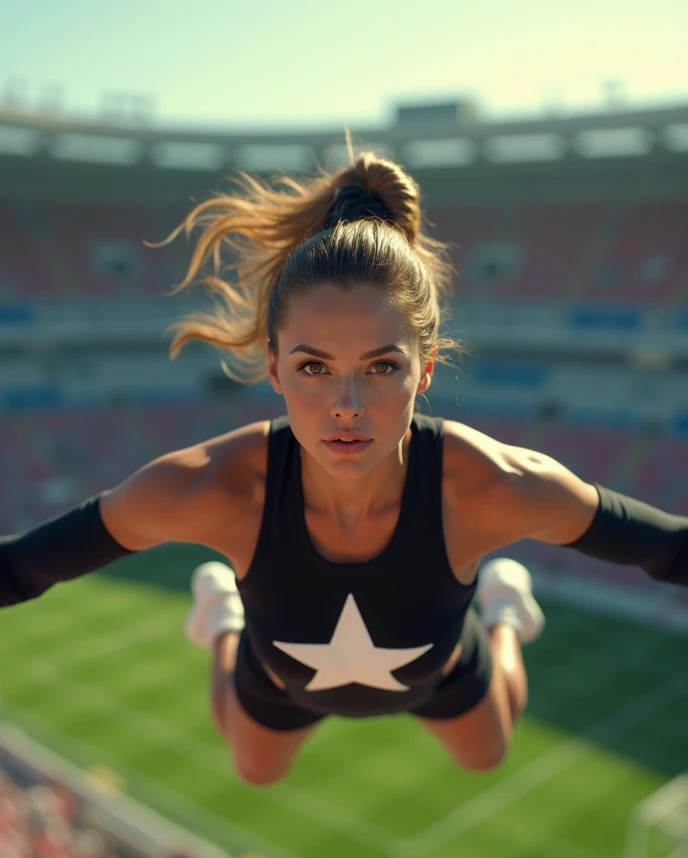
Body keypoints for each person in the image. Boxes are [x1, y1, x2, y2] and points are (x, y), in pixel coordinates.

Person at [2, 148, 686, 789]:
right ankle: (221, 621)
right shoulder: (214, 489)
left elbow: (668, 550)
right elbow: (24, 569)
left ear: (426, 369)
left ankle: (504, 609)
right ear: (273, 367)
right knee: (256, 769)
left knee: (489, 753)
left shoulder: (487, 488)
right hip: (279, 677)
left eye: (382, 366)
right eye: (313, 368)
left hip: (438, 670)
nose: (346, 406)